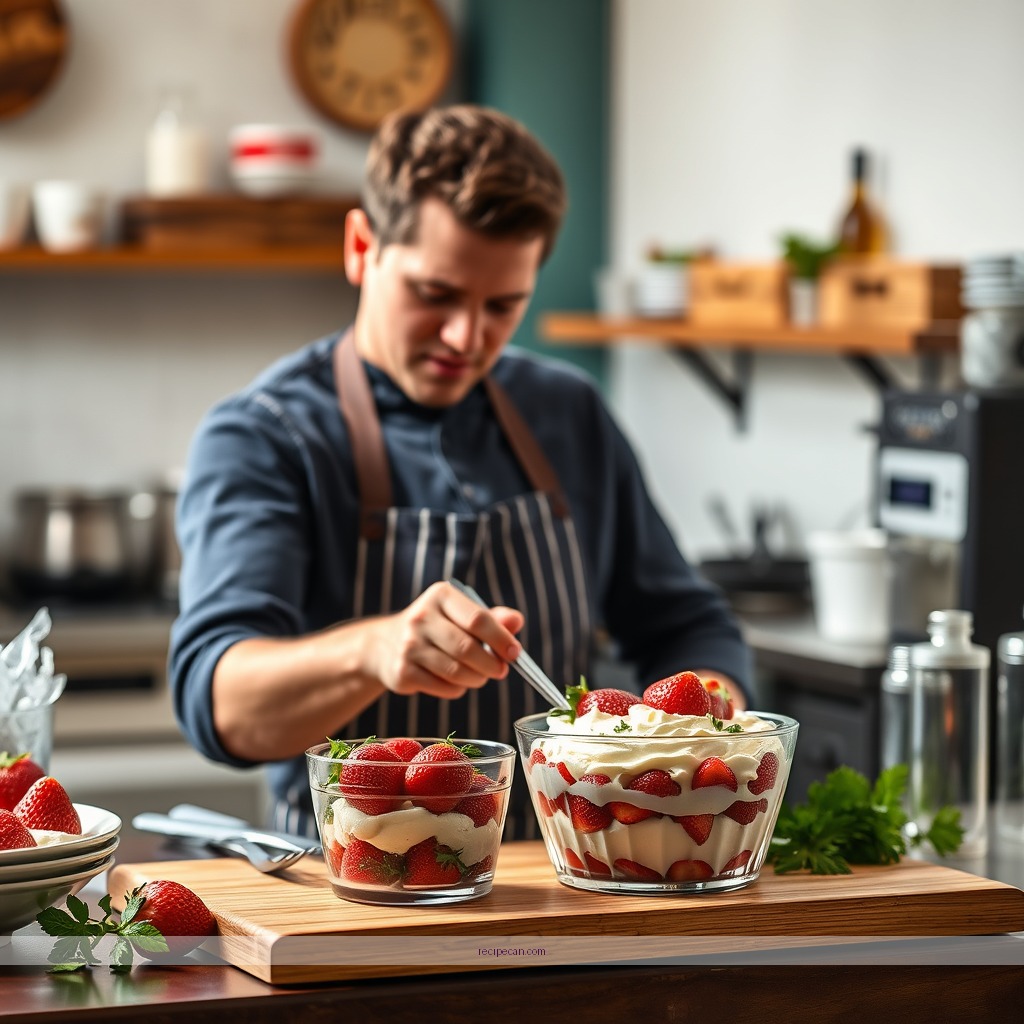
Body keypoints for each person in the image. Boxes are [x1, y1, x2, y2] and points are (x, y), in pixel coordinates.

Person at [169, 104, 752, 839]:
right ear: (361, 247)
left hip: (562, 879)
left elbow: (683, 621)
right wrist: (373, 651)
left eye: (504, 305)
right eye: (435, 294)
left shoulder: (567, 412)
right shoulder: (264, 435)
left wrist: (705, 703)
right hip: (354, 887)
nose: (465, 338)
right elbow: (219, 701)